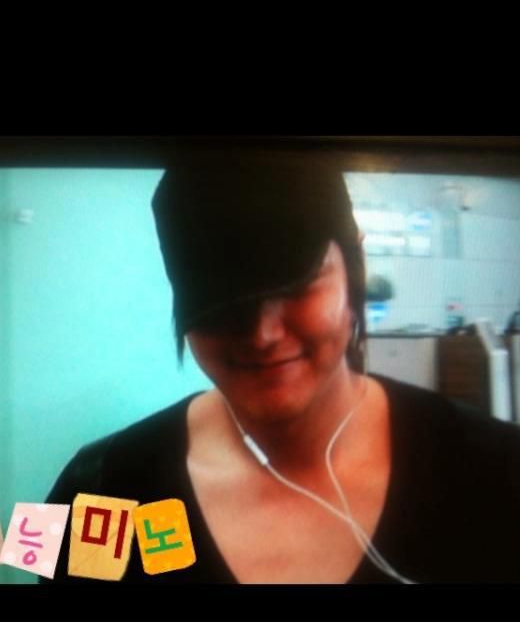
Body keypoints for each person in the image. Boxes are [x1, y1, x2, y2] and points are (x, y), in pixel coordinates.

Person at [44, 157, 520, 584]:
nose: (262, 334)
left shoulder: (492, 472)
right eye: (222, 301)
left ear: (355, 260)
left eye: (297, 285)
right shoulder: (101, 491)